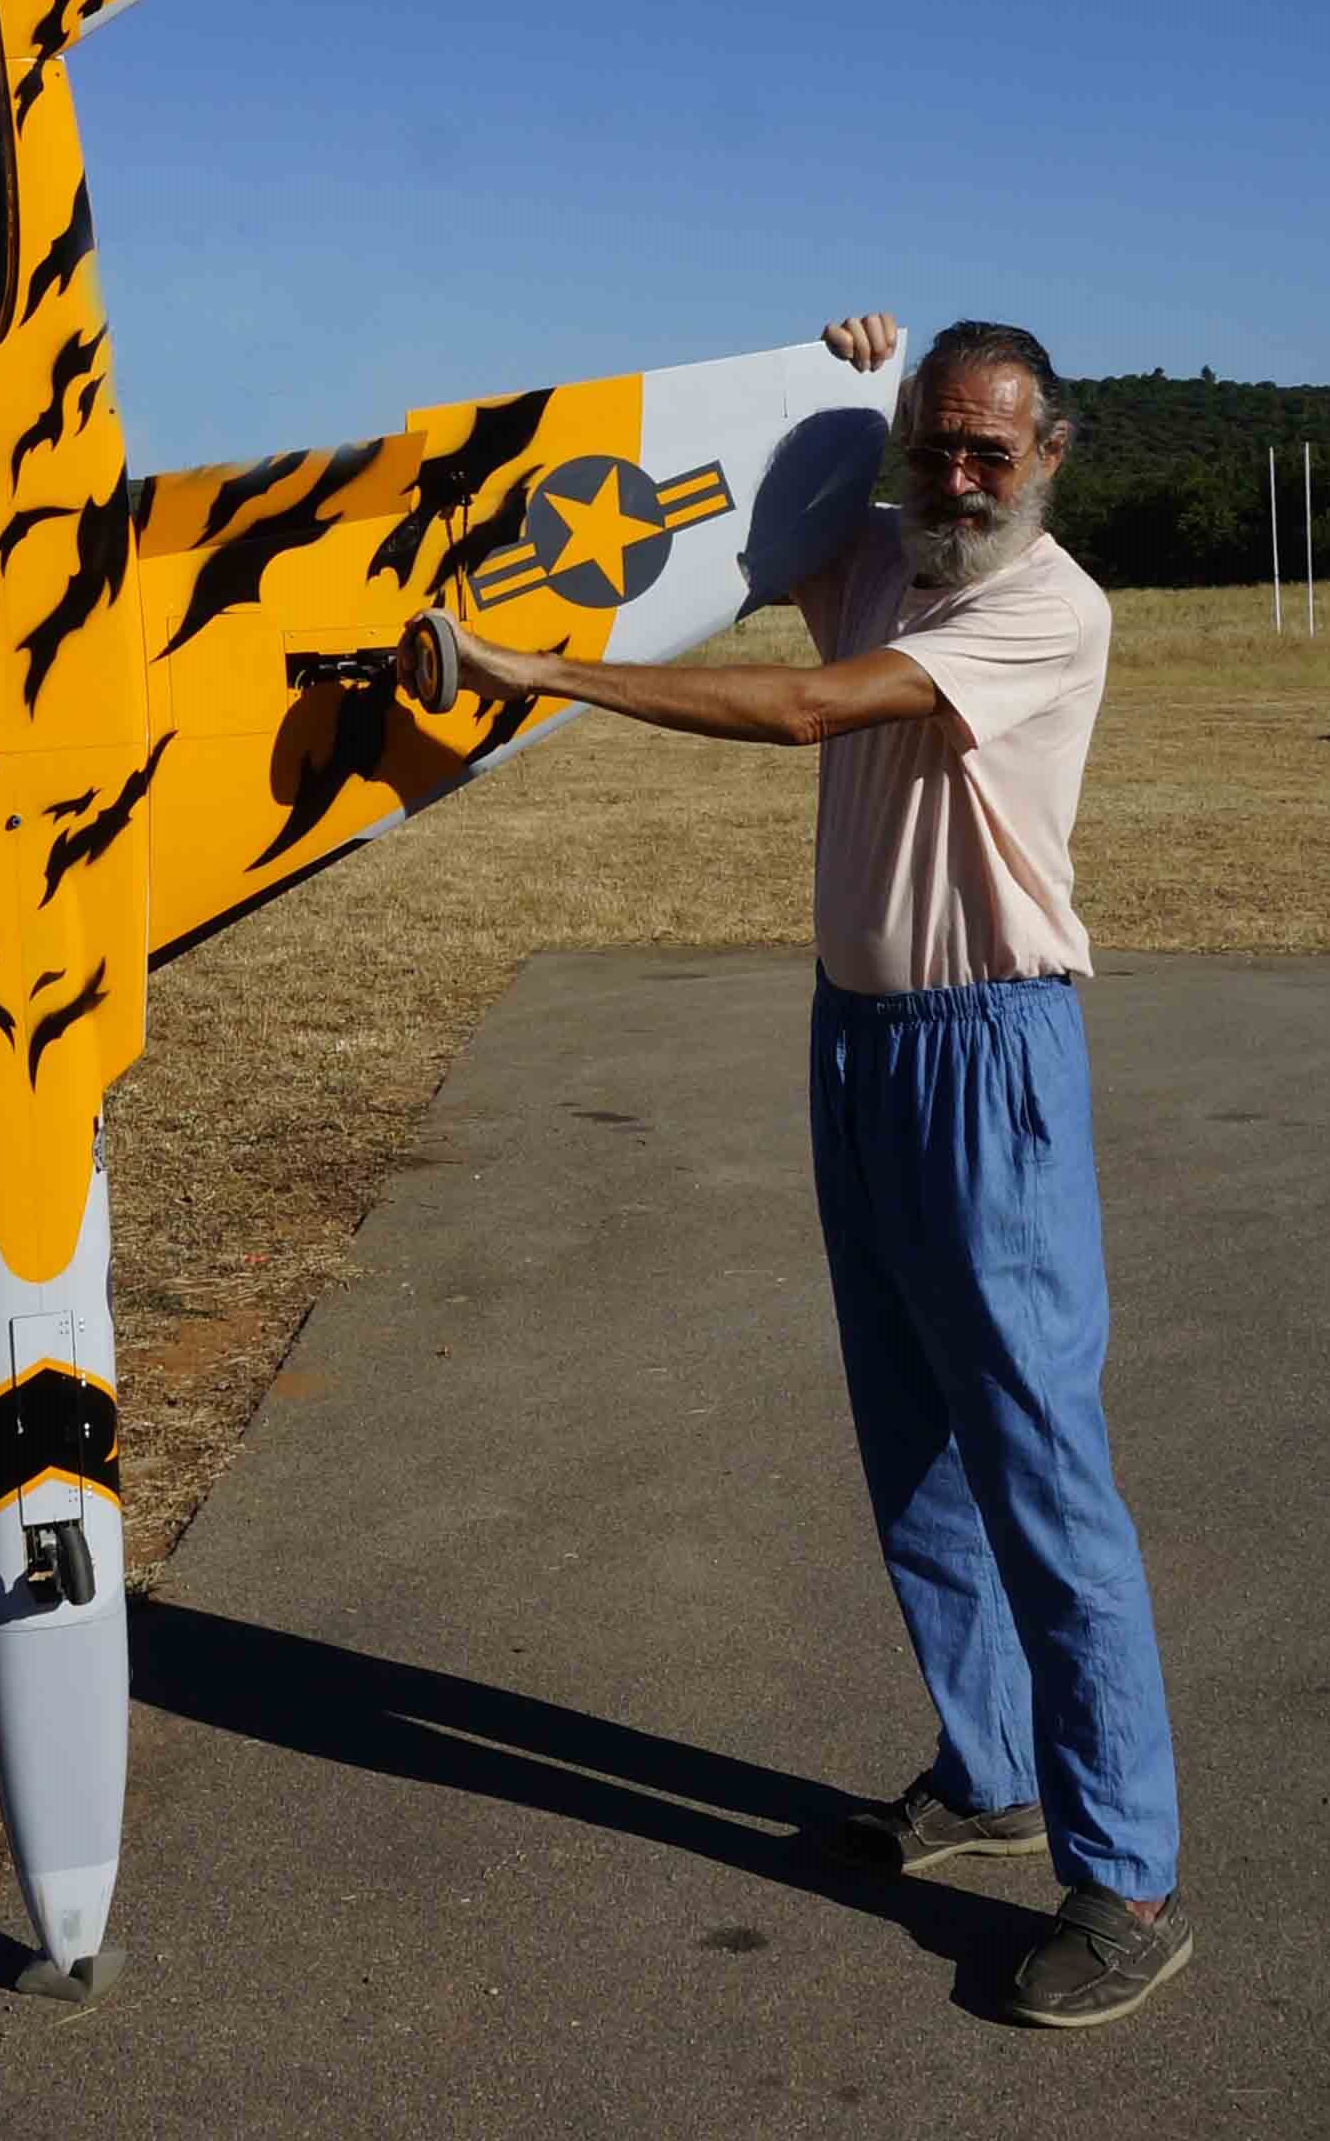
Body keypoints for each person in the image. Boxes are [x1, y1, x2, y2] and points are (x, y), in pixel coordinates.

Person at [418, 314, 1187, 2031]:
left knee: (1044, 1471)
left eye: (993, 451)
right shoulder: (885, 552)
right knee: (911, 1445)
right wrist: (844, 374)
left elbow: (803, 708)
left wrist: (540, 676)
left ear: (1051, 454)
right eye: (937, 444)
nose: (961, 478)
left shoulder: (1047, 605)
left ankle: (1129, 1876)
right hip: (860, 1041)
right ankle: (990, 1772)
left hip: (990, 1054)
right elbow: (750, 518)